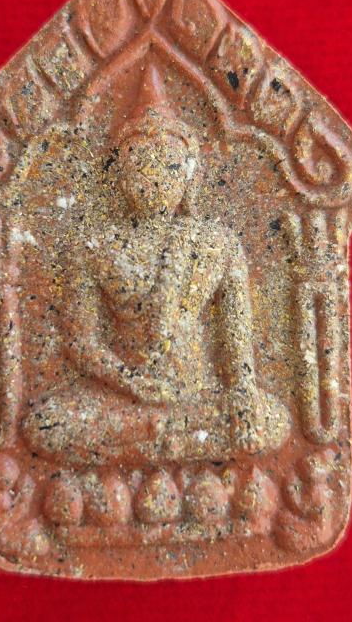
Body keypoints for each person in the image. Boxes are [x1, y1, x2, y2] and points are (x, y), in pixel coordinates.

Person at [23, 64, 289, 466]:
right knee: (46, 423)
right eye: (139, 163)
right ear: (118, 175)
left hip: (197, 393)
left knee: (270, 421)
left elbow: (236, 347)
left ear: (189, 175)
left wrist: (242, 392)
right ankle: (167, 437)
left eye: (167, 164)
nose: (153, 177)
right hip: (124, 395)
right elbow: (82, 344)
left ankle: (151, 440)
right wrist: (131, 382)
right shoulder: (94, 246)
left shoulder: (217, 244)